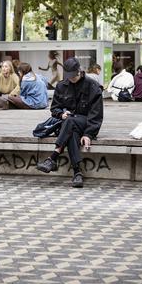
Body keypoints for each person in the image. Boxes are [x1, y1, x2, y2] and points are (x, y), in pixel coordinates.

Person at [36, 57, 104, 188]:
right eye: (69, 76)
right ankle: (77, 172)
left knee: (70, 121)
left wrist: (88, 134)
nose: (71, 79)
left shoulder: (92, 85)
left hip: (86, 122)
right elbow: (54, 108)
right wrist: (61, 114)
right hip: (68, 124)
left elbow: (96, 114)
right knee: (71, 130)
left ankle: (53, 157)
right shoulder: (62, 85)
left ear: (79, 71)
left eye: (74, 76)